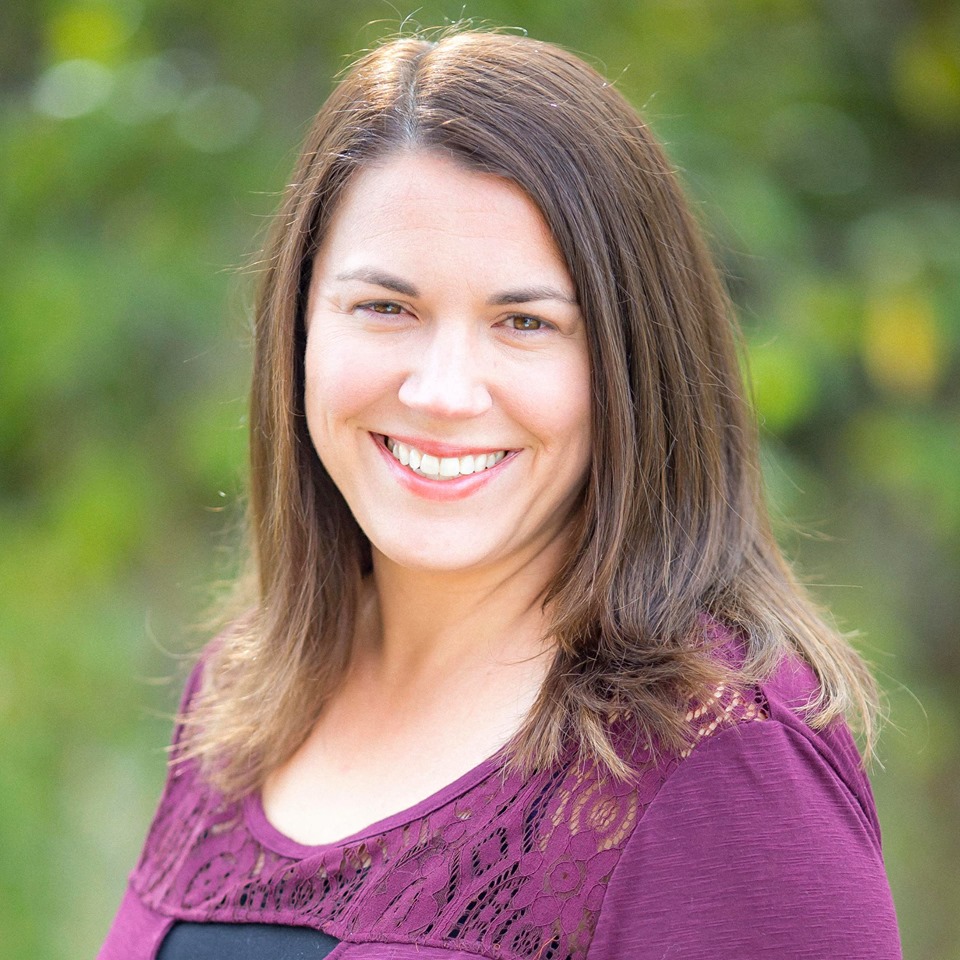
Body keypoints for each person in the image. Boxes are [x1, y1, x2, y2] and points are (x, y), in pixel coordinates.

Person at [99, 28, 902, 959]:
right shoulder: (241, 701)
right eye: (386, 308)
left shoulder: (717, 759)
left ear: (633, 366)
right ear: (299, 325)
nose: (443, 392)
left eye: (524, 322)